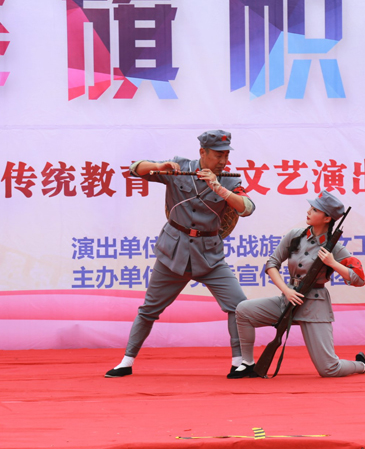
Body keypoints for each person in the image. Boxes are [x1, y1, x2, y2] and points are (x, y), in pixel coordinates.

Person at [105, 130, 255, 378]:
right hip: (173, 253)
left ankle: (239, 362)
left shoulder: (229, 181)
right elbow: (135, 169)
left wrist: (219, 189)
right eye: (218, 155)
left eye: (226, 155)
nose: (223, 160)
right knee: (149, 309)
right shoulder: (180, 167)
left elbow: (247, 207)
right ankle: (126, 361)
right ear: (202, 152)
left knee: (239, 306)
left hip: (209, 256)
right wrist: (158, 166)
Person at [229, 190, 365, 379]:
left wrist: (333, 263)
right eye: (310, 208)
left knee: (329, 369)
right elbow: (271, 264)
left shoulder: (335, 248)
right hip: (288, 300)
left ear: (327, 218)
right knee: (243, 310)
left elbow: (359, 279)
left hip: (314, 307)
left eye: (315, 210)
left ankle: (362, 365)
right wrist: (286, 291)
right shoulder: (295, 236)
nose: (308, 212)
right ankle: (247, 363)